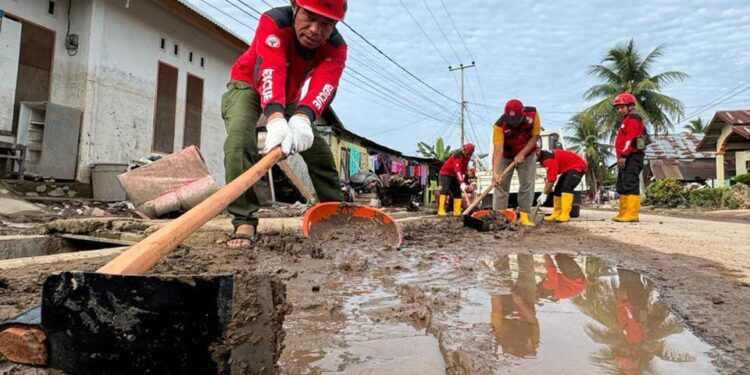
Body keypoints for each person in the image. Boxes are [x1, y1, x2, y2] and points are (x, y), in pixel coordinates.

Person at [222, 0, 347, 248]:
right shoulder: (274, 22)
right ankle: (243, 220)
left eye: (326, 24)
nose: (315, 30)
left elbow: (325, 84)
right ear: (294, 6)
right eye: (309, 17)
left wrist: (303, 116)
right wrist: (276, 118)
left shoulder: (336, 47)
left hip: (290, 98)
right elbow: (271, 69)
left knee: (320, 153)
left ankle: (337, 215)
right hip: (248, 84)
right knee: (239, 141)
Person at [492, 99, 541, 227]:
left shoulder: (533, 114)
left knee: (527, 183)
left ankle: (524, 216)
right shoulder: (499, 125)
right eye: (510, 121)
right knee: (500, 185)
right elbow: (498, 149)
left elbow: (535, 136)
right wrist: (495, 173)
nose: (513, 124)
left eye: (516, 121)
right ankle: (499, 217)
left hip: (527, 153)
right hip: (506, 155)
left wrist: (522, 153)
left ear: (523, 113)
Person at [612, 93, 646, 222]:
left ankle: (632, 214)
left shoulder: (633, 119)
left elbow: (630, 139)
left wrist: (624, 155)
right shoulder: (626, 120)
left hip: (632, 156)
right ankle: (623, 213)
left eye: (621, 107)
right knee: (622, 184)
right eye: (618, 108)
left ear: (630, 106)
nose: (619, 110)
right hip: (625, 157)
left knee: (630, 183)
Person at [536, 149, 588, 223]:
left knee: (566, 187)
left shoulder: (548, 158)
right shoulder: (543, 157)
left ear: (537, 152)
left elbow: (552, 179)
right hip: (568, 168)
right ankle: (557, 213)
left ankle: (565, 214)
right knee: (558, 189)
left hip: (577, 166)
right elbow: (551, 174)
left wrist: (544, 194)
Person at [437, 143, 474, 216]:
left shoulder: (467, 157)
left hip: (454, 175)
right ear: (464, 150)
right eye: (467, 154)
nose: (468, 156)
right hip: (446, 173)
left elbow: (464, 168)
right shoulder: (458, 156)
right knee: (445, 189)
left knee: (457, 192)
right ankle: (441, 210)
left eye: (470, 154)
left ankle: (456, 211)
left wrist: (464, 179)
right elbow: (457, 170)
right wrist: (461, 182)